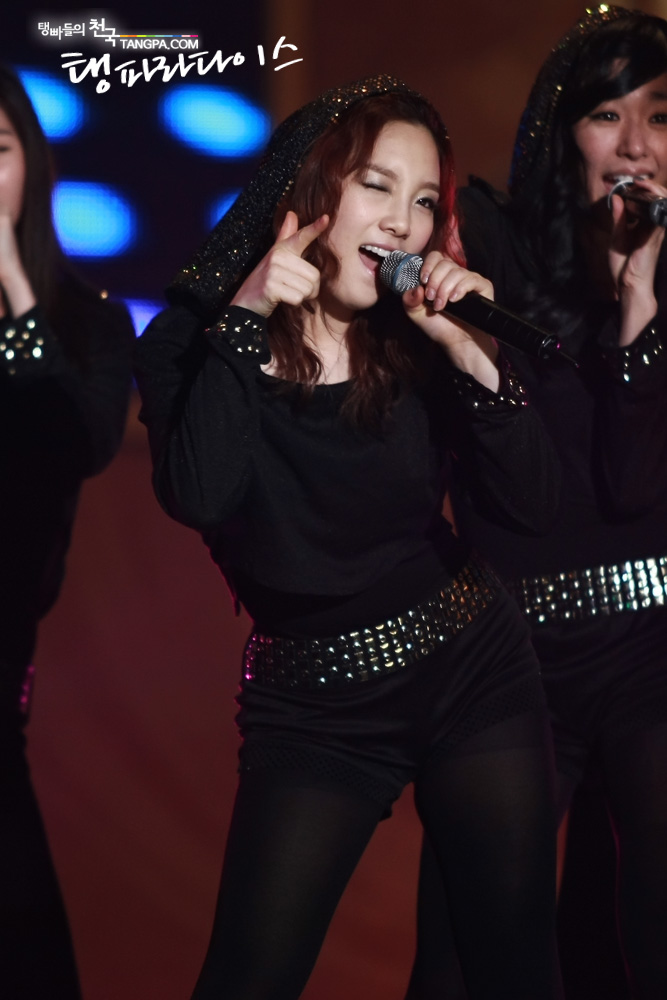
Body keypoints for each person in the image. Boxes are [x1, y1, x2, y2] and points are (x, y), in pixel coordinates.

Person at [135, 75, 564, 999]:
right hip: (315, 708)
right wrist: (246, 316)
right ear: (310, 187)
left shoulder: (412, 337)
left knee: (505, 969)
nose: (403, 221)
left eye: (424, 201)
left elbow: (531, 507)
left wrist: (469, 352)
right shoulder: (194, 341)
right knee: (248, 977)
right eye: (377, 185)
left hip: (471, 667)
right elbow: (201, 493)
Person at [406, 7, 667, 999]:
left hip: (651, 655)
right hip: (511, 660)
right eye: (606, 114)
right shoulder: (493, 249)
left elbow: (634, 484)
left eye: (660, 116)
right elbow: (519, 495)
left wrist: (640, 302)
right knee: (466, 952)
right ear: (563, 133)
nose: (635, 145)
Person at [0, 65, 134, 997]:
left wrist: (13, 285)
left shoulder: (87, 323)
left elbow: (78, 443)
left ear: (30, 165)